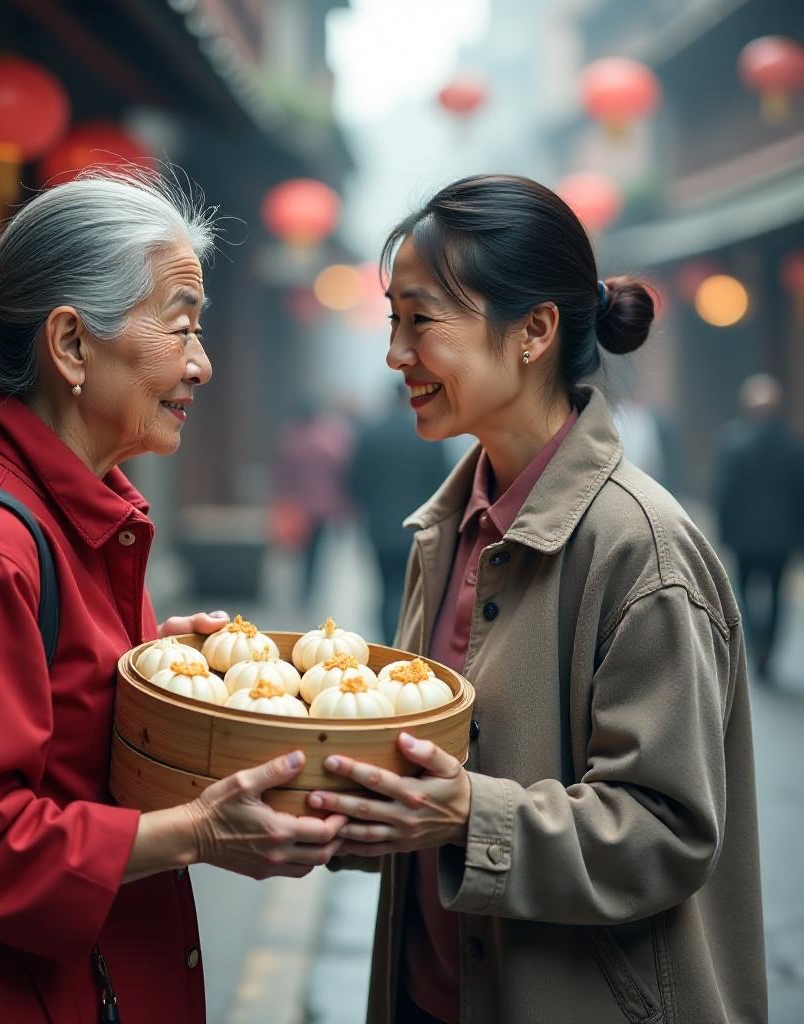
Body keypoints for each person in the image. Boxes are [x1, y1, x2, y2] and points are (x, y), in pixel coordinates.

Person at [0, 173, 344, 1024]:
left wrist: (149, 684)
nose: (201, 363)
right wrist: (201, 831)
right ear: (72, 346)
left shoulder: (81, 514)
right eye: (181, 326)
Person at [308, 175, 765, 1023]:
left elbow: (667, 830)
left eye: (422, 320)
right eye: (391, 322)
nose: (396, 355)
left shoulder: (643, 548)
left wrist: (464, 811)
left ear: (535, 331)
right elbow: (424, 778)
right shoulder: (447, 529)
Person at [714, 373, 804, 678]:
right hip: (781, 539)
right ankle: (768, 649)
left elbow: (724, 493)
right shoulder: (793, 444)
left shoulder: (733, 442)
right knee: (778, 595)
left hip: (744, 539)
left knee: (745, 593)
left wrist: (723, 533)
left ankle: (757, 644)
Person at [349, 386, 452, 642]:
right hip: (417, 526)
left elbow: (354, 480)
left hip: (379, 528)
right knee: (412, 589)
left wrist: (370, 506)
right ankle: (407, 639)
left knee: (385, 589)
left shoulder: (371, 434)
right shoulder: (429, 436)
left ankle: (388, 641)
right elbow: (444, 481)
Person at [272, 400, 355, 603]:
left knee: (303, 551)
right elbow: (341, 473)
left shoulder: (291, 440)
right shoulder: (329, 440)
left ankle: (304, 589)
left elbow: (283, 475)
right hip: (324, 506)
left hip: (300, 506)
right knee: (316, 550)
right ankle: (310, 588)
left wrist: (281, 499)